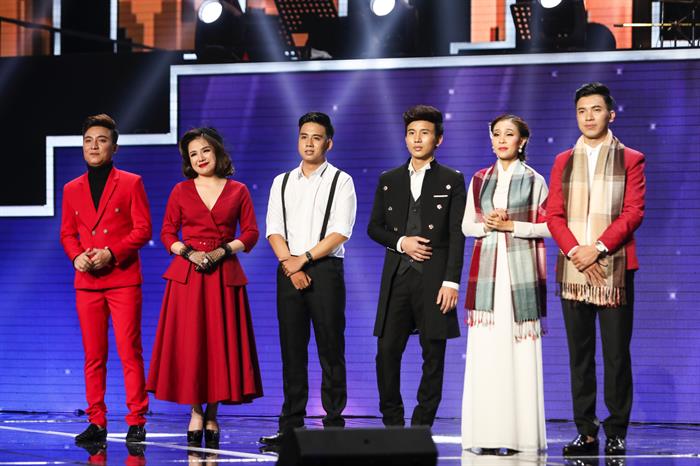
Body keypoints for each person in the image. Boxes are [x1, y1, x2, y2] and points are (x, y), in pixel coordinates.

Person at [146, 127, 263, 449]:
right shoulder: (180, 190)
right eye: (193, 154)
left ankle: (212, 413)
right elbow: (167, 233)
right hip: (188, 276)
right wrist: (189, 253)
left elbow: (251, 233)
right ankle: (196, 412)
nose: (199, 158)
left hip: (223, 274)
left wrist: (222, 251)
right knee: (192, 345)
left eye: (205, 151)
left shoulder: (238, 190)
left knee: (219, 345)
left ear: (218, 152)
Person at [547, 82, 645, 456]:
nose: (588, 117)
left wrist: (598, 249)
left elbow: (633, 212)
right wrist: (576, 251)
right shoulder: (563, 161)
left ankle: (616, 431)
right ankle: (585, 432)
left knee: (617, 355)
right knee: (580, 355)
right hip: (574, 268)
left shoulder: (631, 158)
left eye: (596, 109)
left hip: (614, 268)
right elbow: (553, 215)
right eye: (582, 111)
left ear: (611, 115)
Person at [260, 112, 357, 446]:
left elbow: (341, 231)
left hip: (324, 270)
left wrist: (303, 260)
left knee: (331, 348)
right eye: (304, 136)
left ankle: (333, 426)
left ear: (328, 143)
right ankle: (291, 426)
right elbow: (273, 229)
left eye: (316, 138)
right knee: (292, 351)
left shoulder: (341, 180)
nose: (309, 143)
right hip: (288, 269)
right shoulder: (282, 181)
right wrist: (291, 265)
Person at [368, 104, 466, 427]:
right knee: (386, 353)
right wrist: (401, 242)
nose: (417, 139)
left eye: (424, 133)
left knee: (433, 356)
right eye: (411, 133)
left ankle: (421, 426)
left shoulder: (452, 180)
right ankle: (393, 425)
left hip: (435, 280)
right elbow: (374, 228)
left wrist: (451, 282)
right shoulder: (389, 179)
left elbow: (457, 234)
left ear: (439, 139)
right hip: (397, 277)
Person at [461, 114, 549, 454]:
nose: (501, 140)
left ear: (522, 140)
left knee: (518, 354)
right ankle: (484, 436)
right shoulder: (480, 179)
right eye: (496, 134)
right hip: (487, 278)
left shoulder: (535, 180)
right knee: (486, 354)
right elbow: (467, 226)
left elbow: (551, 227)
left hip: (519, 276)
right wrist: (487, 224)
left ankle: (519, 437)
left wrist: (514, 226)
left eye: (508, 134)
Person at [60, 114, 151, 444]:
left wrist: (111, 253)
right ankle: (97, 421)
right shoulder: (71, 188)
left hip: (123, 278)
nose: (94, 146)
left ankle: (136, 420)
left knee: (129, 352)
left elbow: (143, 229)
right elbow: (67, 234)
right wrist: (76, 256)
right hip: (87, 283)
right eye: (88, 141)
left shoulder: (131, 182)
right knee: (93, 355)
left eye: (101, 140)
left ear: (115, 147)